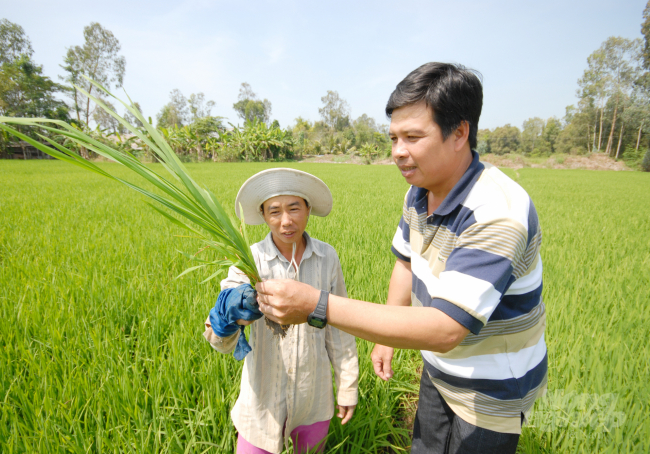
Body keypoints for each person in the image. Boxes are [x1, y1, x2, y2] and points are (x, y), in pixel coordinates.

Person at [255, 63, 547, 454]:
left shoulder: (497, 213)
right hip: (440, 368)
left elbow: (445, 328)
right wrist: (386, 340)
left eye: (412, 137)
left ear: (459, 132)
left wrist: (314, 304)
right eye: (393, 137)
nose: (397, 152)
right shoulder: (420, 191)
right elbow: (406, 262)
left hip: (491, 389)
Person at [203, 168, 359, 454]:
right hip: (262, 403)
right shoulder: (249, 263)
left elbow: (339, 327)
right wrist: (230, 316)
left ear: (309, 209)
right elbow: (220, 342)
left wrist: (347, 385)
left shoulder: (327, 258)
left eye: (294, 208)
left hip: (313, 397)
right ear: (263, 215)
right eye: (274, 211)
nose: (286, 221)